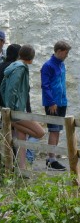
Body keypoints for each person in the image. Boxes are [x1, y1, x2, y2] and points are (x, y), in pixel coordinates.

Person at [0, 44, 46, 170]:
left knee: (22, 139)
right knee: (40, 132)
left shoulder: (12, 66)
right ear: (31, 58)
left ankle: (22, 167)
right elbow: (11, 89)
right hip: (17, 110)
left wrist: (7, 105)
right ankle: (12, 123)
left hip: (17, 109)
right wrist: (11, 109)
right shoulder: (20, 68)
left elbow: (3, 86)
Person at [41, 40, 72, 171]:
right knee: (53, 130)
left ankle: (51, 158)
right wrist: (51, 102)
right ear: (59, 51)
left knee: (57, 129)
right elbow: (45, 85)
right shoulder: (48, 66)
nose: (67, 56)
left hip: (61, 102)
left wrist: (63, 100)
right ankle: (52, 160)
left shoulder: (61, 65)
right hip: (52, 104)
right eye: (65, 53)